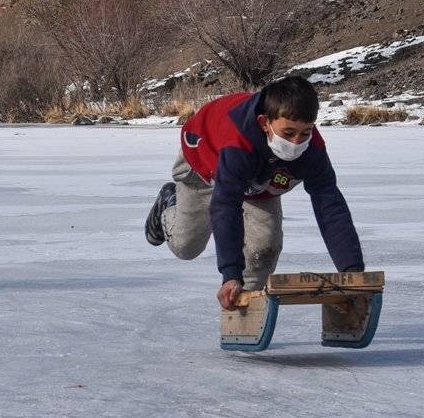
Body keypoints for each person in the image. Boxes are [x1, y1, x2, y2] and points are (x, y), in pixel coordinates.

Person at [144, 75, 365, 309]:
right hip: (204, 165)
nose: (297, 141)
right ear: (264, 123)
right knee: (186, 247)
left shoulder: (313, 150)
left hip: (261, 178)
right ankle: (168, 204)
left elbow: (329, 204)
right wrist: (230, 274)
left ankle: (243, 310)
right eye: (288, 133)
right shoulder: (237, 141)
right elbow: (226, 205)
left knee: (264, 249)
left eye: (305, 132)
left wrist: (352, 272)